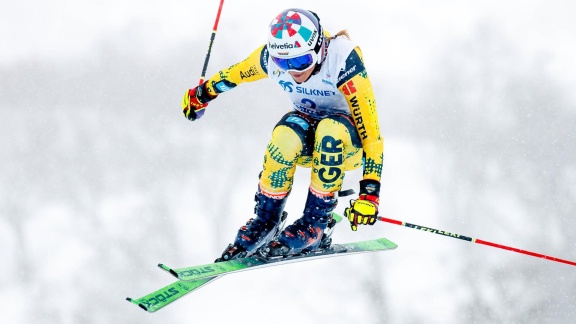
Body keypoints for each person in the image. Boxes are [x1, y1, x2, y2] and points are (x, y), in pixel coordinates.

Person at [182, 8, 383, 260]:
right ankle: (265, 221)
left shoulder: (344, 61)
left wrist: (370, 193)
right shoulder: (269, 58)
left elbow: (372, 136)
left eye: (299, 62)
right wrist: (202, 95)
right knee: (285, 135)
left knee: (329, 130)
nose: (292, 71)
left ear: (319, 49)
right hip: (310, 140)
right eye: (282, 62)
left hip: (347, 147)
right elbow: (235, 74)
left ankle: (315, 224)